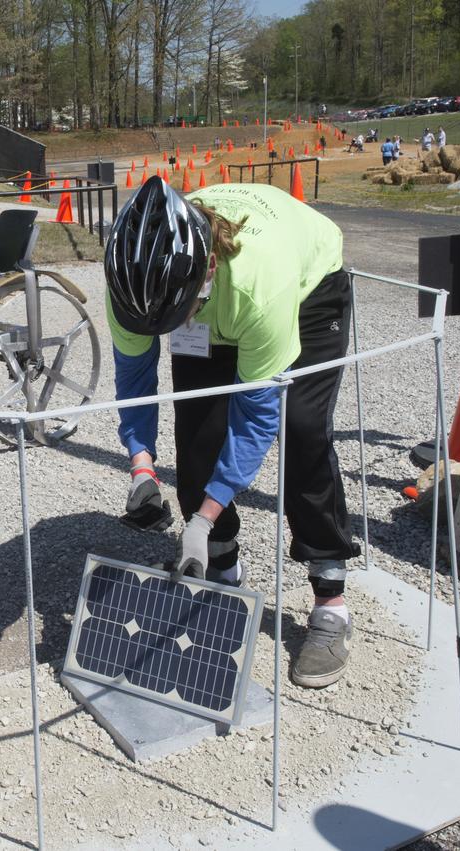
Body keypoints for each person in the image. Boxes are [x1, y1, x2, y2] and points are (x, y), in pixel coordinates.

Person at [108, 176, 360, 689]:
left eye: (174, 316)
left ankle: (330, 597)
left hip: (306, 292)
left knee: (302, 431)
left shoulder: (258, 287)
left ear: (206, 272)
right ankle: (221, 571)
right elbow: (135, 384)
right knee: (198, 435)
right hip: (206, 304)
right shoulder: (133, 289)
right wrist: (141, 466)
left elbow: (256, 418)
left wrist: (201, 519)